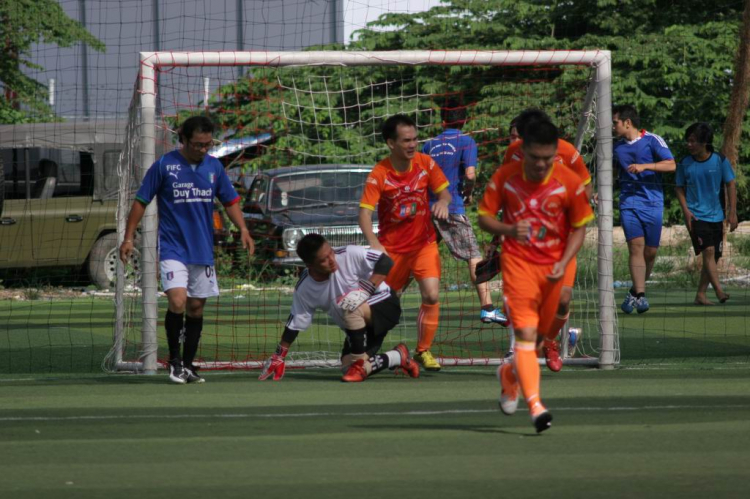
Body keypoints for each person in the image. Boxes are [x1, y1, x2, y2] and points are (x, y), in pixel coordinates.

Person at [119, 116, 255, 384]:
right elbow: (141, 201)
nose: (202, 149)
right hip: (173, 248)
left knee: (195, 308)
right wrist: (128, 237)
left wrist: (243, 229)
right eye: (197, 144)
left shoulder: (214, 167)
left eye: (207, 144)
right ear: (183, 140)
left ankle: (190, 365)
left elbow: (230, 200)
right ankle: (175, 363)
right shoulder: (165, 165)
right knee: (178, 301)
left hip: (202, 250)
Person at [478, 121, 594, 433]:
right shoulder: (508, 168)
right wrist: (504, 233)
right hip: (519, 265)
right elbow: (488, 214)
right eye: (535, 156)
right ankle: (536, 407)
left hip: (557, 257)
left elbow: (582, 217)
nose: (542, 163)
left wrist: (566, 257)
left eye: (548, 156)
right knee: (527, 337)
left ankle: (511, 375)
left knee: (546, 327)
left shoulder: (568, 166)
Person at [501, 109, 593, 372]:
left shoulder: (566, 151)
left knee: (563, 299)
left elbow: (586, 185)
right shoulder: (514, 153)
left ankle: (549, 341)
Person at [258, 233, 420, 382]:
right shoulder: (305, 288)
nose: (332, 259)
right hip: (357, 325)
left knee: (348, 306)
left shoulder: (349, 253)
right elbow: (295, 323)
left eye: (331, 252)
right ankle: (397, 356)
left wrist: (367, 289)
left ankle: (358, 365)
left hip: (384, 305)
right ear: (309, 265)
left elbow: (385, 261)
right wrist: (279, 356)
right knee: (346, 368)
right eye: (324, 259)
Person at [359, 114, 451, 372]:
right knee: (386, 305)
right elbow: (364, 213)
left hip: (424, 244)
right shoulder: (380, 173)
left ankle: (423, 350)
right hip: (392, 250)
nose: (412, 145)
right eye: (406, 140)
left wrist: (443, 202)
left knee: (431, 295)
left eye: (415, 139)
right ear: (391, 143)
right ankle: (367, 352)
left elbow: (444, 192)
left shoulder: (426, 163)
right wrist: (375, 243)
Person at [421, 99, 508, 326]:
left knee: (418, 255)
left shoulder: (429, 145)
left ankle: (389, 296)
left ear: (442, 121)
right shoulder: (466, 141)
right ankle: (487, 308)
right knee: (473, 256)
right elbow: (469, 174)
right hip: (451, 209)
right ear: (466, 120)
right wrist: (468, 193)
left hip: (428, 208)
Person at [612, 105, 675, 314]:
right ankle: (641, 295)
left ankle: (633, 292)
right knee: (635, 248)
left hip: (653, 203)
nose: (613, 127)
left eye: (615, 123)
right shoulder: (616, 147)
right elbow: (613, 173)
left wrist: (645, 166)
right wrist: (600, 191)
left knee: (651, 252)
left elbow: (671, 164)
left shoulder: (652, 140)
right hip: (629, 202)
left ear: (627, 122)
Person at [675, 122, 738, 305]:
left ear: (704, 142)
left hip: (717, 216)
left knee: (715, 255)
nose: (689, 144)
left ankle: (700, 294)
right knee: (708, 251)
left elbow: (731, 184)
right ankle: (719, 291)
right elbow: (678, 187)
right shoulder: (685, 163)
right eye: (688, 140)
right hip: (696, 216)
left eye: (692, 141)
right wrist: (686, 210)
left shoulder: (719, 160)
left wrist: (732, 212)